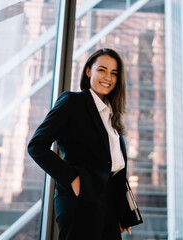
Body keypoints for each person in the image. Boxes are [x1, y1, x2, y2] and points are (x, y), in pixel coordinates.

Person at [28, 48, 132, 239]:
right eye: (102, 70)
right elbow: (36, 146)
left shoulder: (112, 115)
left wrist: (123, 211)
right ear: (88, 71)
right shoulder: (72, 102)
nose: (108, 77)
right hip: (80, 201)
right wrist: (72, 179)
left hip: (108, 205)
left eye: (114, 73)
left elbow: (116, 167)